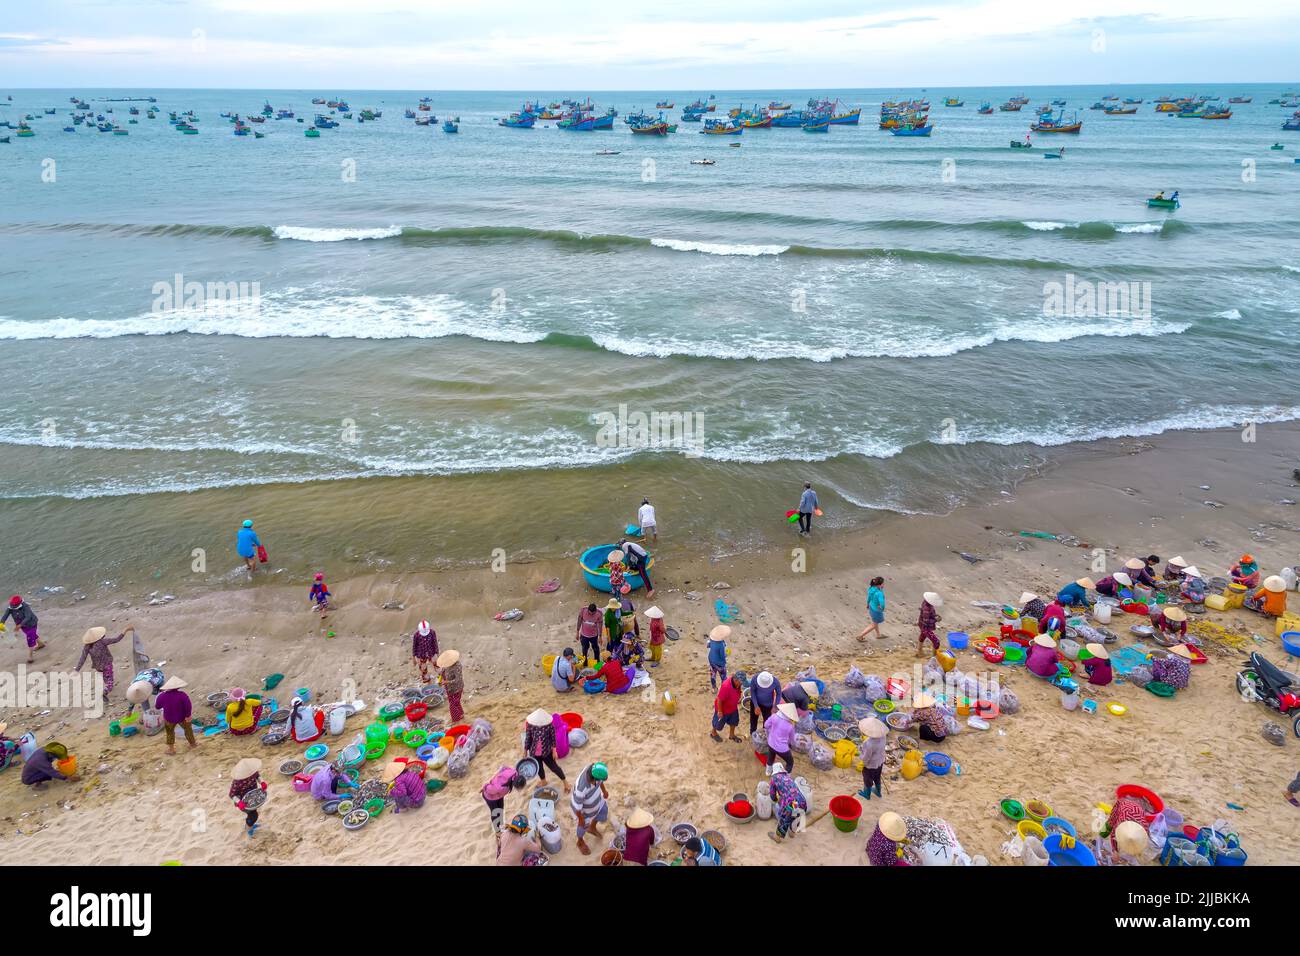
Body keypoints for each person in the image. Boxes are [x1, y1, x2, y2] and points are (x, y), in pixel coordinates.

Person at [74, 626, 125, 700]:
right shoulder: (102, 642)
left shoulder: (87, 647)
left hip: (98, 667)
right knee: (109, 679)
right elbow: (117, 639)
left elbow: (83, 658)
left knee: (105, 677)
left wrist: (77, 669)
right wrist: (124, 631)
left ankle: (108, 684)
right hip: (107, 664)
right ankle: (106, 691)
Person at [522, 708, 568, 791]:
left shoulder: (549, 725)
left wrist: (554, 751)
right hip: (534, 752)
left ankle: (565, 782)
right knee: (539, 768)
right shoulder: (530, 725)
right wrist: (525, 751)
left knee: (554, 767)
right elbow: (528, 738)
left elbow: (553, 739)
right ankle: (543, 781)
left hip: (546, 752)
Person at [571, 761, 609, 856]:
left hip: (597, 801)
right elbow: (577, 807)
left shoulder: (594, 771)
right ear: (594, 778)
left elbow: (600, 782)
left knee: (603, 811)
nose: (603, 780)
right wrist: (581, 818)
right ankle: (580, 842)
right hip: (583, 811)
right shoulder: (581, 788)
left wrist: (604, 791)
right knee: (582, 826)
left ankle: (592, 828)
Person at [767, 762, 807, 844]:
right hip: (802, 801)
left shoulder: (774, 778)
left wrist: (776, 800)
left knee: (784, 818)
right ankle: (792, 833)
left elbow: (772, 795)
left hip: (791, 803)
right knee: (797, 816)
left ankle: (777, 837)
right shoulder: (787, 777)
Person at [155, 675, 195, 755]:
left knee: (170, 732)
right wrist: (188, 715)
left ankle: (171, 749)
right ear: (177, 687)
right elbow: (188, 705)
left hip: (168, 718)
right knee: (188, 730)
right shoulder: (182, 695)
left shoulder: (162, 696)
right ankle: (192, 744)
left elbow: (157, 706)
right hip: (182, 717)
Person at [482, 765, 528, 832]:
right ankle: (497, 831)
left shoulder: (515, 772)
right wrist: (485, 787)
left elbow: (503, 767)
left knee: (500, 809)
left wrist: (497, 777)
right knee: (495, 813)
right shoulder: (501, 788)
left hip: (499, 795)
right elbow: (489, 789)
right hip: (490, 796)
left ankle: (500, 824)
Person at [229, 757, 267, 837]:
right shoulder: (237, 781)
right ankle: (248, 828)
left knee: (253, 811)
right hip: (243, 801)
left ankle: (251, 825)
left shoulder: (253, 772)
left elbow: (258, 776)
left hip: (253, 796)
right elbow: (232, 794)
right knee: (253, 815)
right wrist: (239, 802)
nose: (249, 775)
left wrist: (262, 782)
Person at [2, 595, 44, 662]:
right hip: (22, 626)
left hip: (31, 624)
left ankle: (30, 657)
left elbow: (28, 617)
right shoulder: (11, 606)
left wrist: (20, 625)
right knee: (31, 635)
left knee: (30, 637)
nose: (13, 606)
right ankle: (41, 644)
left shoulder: (25, 606)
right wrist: (1, 623)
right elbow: (5, 615)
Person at [764, 702, 798, 774]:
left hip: (771, 743)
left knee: (771, 757)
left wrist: (771, 731)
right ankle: (786, 777)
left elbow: (766, 725)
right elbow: (792, 740)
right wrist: (793, 745)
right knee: (790, 762)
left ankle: (768, 772)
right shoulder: (790, 726)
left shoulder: (774, 716)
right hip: (782, 749)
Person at [858, 717, 887, 800]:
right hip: (880, 761)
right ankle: (878, 792)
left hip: (870, 765)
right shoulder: (883, 736)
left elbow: (866, 757)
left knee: (868, 780)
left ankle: (867, 794)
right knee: (877, 777)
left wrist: (861, 757)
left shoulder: (869, 743)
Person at [710, 674, 743, 743]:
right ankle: (713, 733)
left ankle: (732, 735)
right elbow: (719, 699)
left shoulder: (737, 682)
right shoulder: (726, 686)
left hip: (733, 707)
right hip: (723, 709)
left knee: (734, 721)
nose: (742, 683)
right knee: (718, 724)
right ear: (735, 680)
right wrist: (719, 711)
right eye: (741, 682)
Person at [438, 649, 465, 722]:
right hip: (449, 688)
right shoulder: (446, 665)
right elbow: (443, 671)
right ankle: (461, 714)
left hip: (456, 688)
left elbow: (457, 680)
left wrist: (447, 682)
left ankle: (456, 719)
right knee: (455, 702)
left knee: (453, 705)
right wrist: (440, 675)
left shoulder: (457, 666)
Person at [749, 670, 778, 736]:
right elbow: (752, 692)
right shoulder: (754, 679)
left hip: (768, 704)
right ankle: (752, 732)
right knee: (753, 718)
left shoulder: (775, 682)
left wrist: (775, 706)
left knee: (767, 721)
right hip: (755, 702)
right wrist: (756, 706)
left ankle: (764, 734)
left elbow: (779, 694)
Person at [859, 576, 886, 641]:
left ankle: (878, 635)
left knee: (875, 622)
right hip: (876, 611)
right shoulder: (879, 593)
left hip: (871, 607)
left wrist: (868, 604)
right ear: (880, 584)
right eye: (883, 583)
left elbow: (869, 597)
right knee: (874, 624)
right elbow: (882, 602)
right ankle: (860, 636)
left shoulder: (872, 589)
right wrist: (882, 608)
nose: (884, 584)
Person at [916, 591, 942, 658]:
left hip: (922, 625)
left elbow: (929, 615)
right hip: (926, 627)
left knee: (922, 637)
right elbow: (926, 621)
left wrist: (935, 615)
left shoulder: (926, 603)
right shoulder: (927, 608)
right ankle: (934, 657)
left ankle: (919, 652)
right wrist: (936, 620)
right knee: (936, 642)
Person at [706, 625, 729, 689]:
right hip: (719, 663)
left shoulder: (712, 639)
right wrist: (726, 654)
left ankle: (714, 688)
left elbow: (708, 645)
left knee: (713, 675)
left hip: (711, 660)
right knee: (723, 677)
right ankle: (723, 689)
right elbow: (722, 656)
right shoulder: (721, 645)